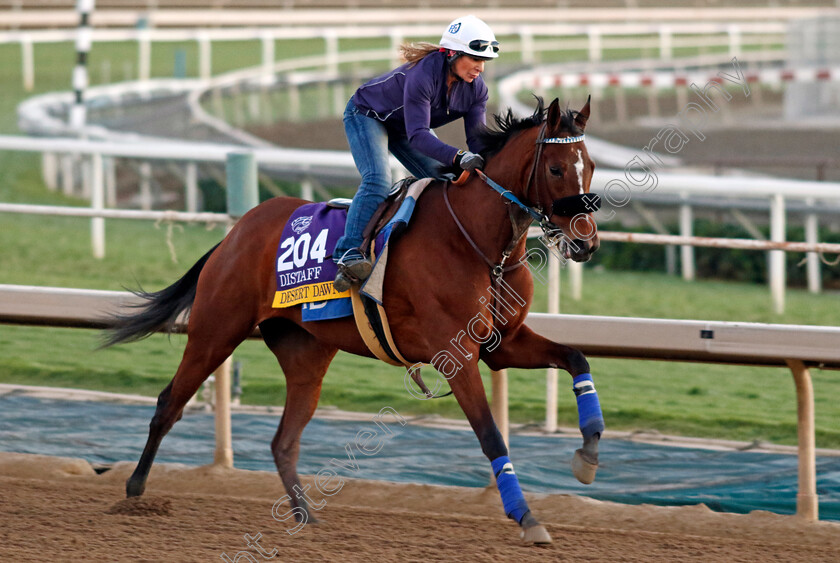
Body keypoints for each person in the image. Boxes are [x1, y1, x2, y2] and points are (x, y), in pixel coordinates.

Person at [332, 14, 500, 292]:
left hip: (404, 126)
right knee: (377, 180)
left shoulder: (477, 91)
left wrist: (494, 162)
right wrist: (459, 157)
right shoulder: (423, 76)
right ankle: (349, 253)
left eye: (484, 61)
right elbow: (419, 136)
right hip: (367, 114)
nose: (480, 69)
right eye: (474, 59)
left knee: (444, 181)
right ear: (452, 54)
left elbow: (478, 141)